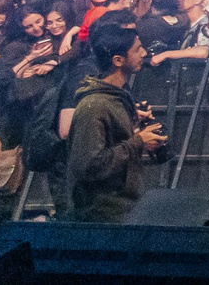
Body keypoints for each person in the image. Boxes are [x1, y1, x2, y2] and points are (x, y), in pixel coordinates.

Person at [64, 21, 167, 222]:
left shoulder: (118, 98)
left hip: (125, 209)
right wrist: (138, 142)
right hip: (102, 217)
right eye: (137, 49)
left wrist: (140, 135)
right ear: (118, 60)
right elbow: (89, 165)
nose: (144, 53)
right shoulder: (94, 106)